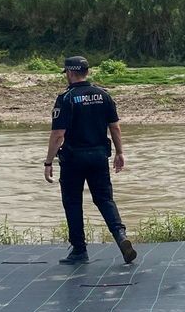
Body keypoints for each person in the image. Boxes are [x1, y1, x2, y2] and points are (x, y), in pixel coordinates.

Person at [43, 56, 137, 265]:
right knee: (104, 199)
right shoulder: (103, 95)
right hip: (99, 157)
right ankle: (120, 236)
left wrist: (48, 161)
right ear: (86, 72)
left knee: (73, 202)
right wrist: (120, 153)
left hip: (73, 159)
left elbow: (58, 134)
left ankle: (79, 250)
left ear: (69, 73)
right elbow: (115, 127)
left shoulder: (66, 98)